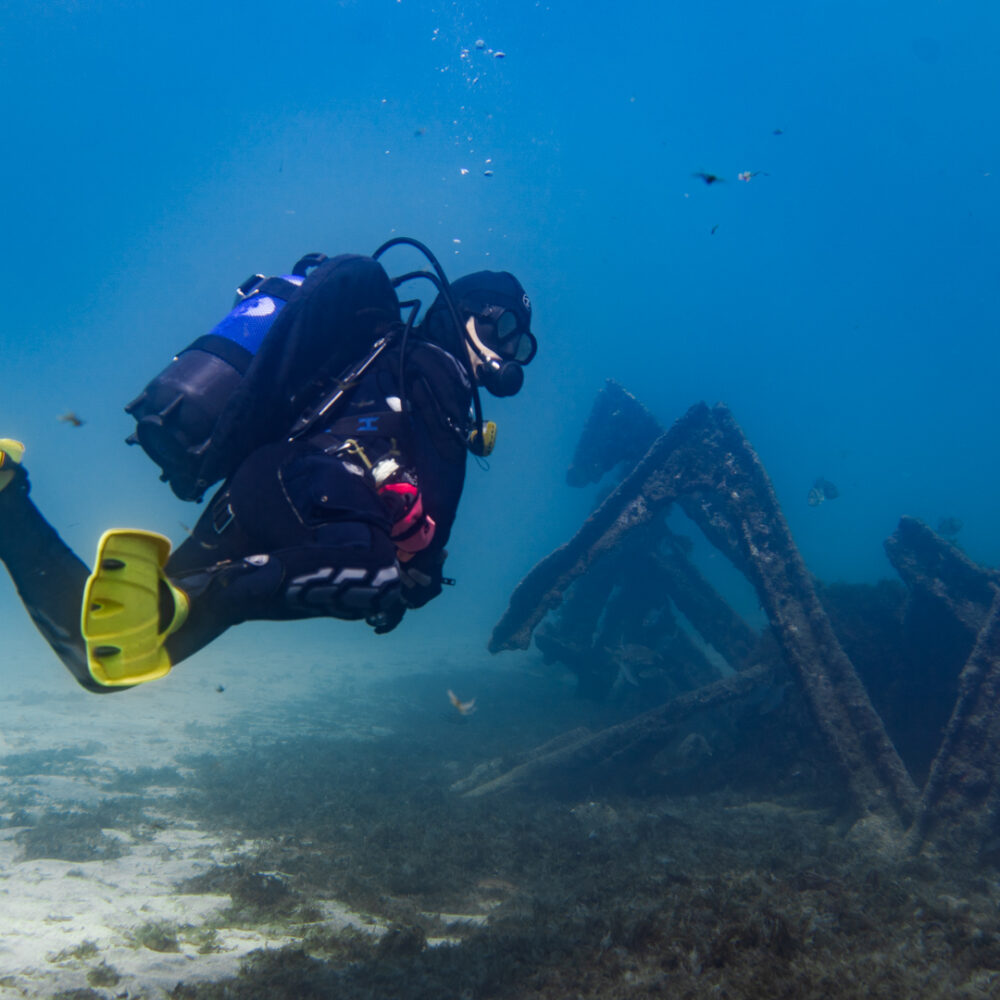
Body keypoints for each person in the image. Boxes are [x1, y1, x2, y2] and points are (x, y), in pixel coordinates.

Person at [0, 240, 536, 693]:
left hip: (266, 487)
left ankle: (7, 499)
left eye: (521, 341)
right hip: (312, 486)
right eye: (505, 328)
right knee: (374, 575)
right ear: (468, 316)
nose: (511, 349)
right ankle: (192, 596)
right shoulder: (437, 372)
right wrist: (417, 580)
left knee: (114, 652)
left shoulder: (387, 357)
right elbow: (427, 538)